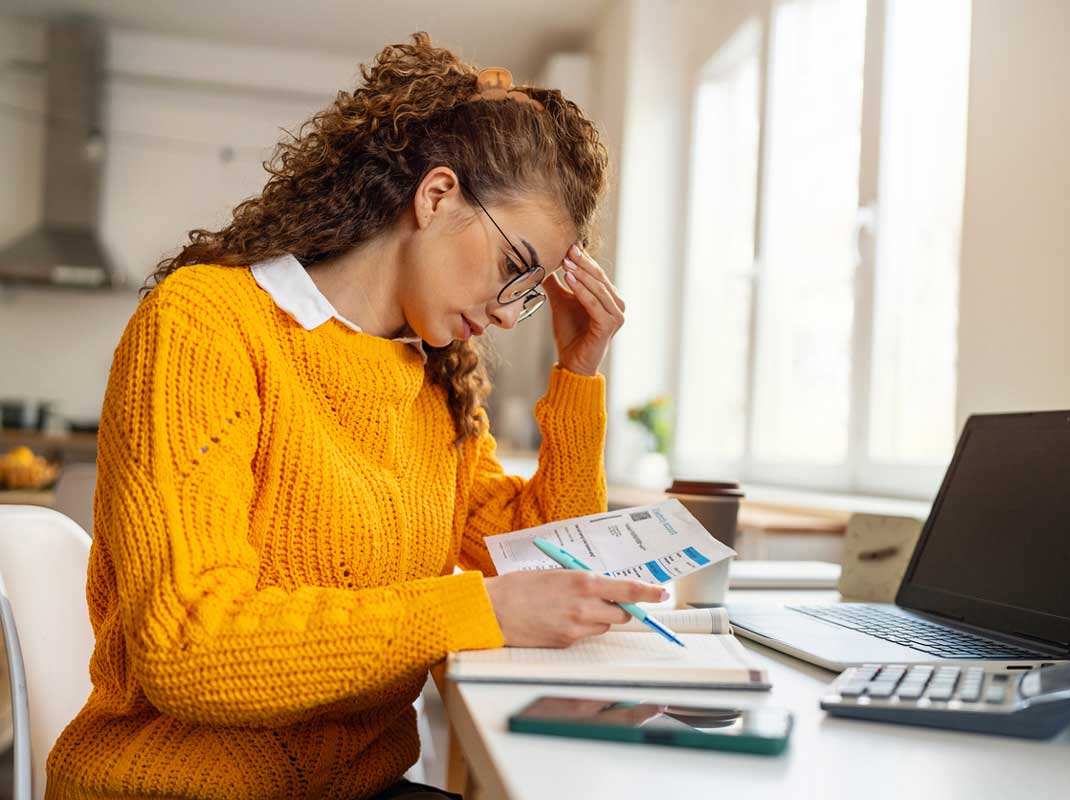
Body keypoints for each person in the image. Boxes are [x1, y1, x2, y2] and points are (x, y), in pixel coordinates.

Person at [45, 32, 663, 800]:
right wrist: (474, 609)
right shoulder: (205, 324)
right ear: (437, 196)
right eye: (514, 269)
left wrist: (578, 372)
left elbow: (553, 562)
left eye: (532, 290)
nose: (513, 316)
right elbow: (189, 648)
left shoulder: (431, 384)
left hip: (358, 785)